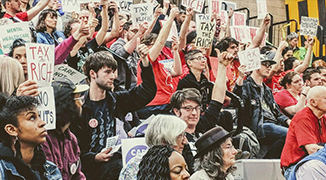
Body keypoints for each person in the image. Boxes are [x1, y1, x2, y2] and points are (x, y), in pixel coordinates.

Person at [70, 41, 156, 179]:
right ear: (93, 74)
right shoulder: (78, 107)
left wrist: (145, 61)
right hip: (91, 173)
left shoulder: (117, 101)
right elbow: (74, 150)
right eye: (108, 72)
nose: (113, 76)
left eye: (114, 72)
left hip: (117, 167)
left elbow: (147, 91)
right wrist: (95, 157)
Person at [171, 51, 234, 173]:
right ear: (176, 111)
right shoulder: (172, 135)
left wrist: (222, 67)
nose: (194, 113)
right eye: (188, 108)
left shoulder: (203, 124)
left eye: (197, 108)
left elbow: (217, 100)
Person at [234, 55, 291, 158]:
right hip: (259, 125)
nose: (269, 67)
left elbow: (276, 112)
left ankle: (267, 160)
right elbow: (237, 102)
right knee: (289, 134)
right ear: (255, 66)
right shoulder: (246, 85)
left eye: (269, 65)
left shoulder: (267, 90)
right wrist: (240, 79)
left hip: (272, 124)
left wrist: (288, 121)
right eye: (265, 64)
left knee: (293, 134)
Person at [0, 94, 62, 179]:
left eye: (39, 116)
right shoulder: (2, 170)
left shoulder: (50, 169)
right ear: (12, 130)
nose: (42, 123)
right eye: (32, 118)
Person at [136, 7, 182, 119]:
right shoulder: (147, 59)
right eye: (154, 44)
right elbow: (161, 41)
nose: (159, 48)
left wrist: (175, 51)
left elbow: (177, 71)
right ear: (147, 46)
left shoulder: (160, 62)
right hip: (153, 106)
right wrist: (170, 18)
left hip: (165, 104)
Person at [42, 78, 89, 180]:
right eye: (77, 100)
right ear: (66, 104)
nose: (81, 104)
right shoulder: (44, 138)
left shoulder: (72, 139)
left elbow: (77, 175)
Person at [119, 114, 188, 180]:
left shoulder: (180, 158)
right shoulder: (136, 165)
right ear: (165, 138)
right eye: (180, 136)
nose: (185, 141)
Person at [280, 86, 326, 179]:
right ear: (313, 102)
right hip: (296, 167)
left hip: (318, 163)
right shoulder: (302, 118)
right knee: (313, 168)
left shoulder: (323, 118)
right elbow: (312, 150)